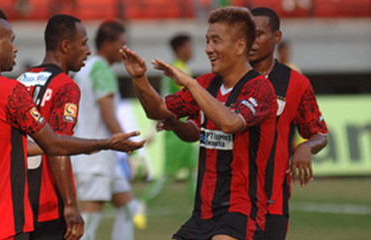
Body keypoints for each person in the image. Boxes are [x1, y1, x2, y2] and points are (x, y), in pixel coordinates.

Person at [0, 5, 144, 240]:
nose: (15, 48)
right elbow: (55, 146)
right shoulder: (34, 88)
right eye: (11, 41)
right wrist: (106, 143)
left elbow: (15, 146)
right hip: (17, 214)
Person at [121, 6, 277, 240]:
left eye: (216, 41)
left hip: (242, 212)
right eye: (206, 41)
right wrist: (139, 78)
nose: (208, 49)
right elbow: (159, 111)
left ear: (240, 46)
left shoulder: (260, 88)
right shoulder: (207, 83)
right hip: (203, 214)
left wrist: (191, 85)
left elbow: (231, 123)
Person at [249, 7, 328, 240]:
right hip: (227, 200)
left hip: (273, 201)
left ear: (276, 38)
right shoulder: (225, 78)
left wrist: (306, 146)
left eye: (260, 34)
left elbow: (320, 133)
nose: (252, 41)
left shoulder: (296, 83)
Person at [16, 14, 91, 240]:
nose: (88, 50)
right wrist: (70, 204)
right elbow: (59, 147)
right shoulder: (66, 86)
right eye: (84, 43)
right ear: (66, 46)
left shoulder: (20, 81)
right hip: (48, 207)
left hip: (17, 205)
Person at [71, 20, 138, 240]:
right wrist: (130, 148)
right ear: (107, 43)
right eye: (121, 44)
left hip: (100, 157)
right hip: (94, 160)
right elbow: (109, 115)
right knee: (87, 224)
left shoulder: (84, 68)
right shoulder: (102, 69)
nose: (124, 50)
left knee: (129, 207)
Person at [134, 33, 198, 230]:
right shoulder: (180, 70)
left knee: (193, 171)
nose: (192, 50)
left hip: (179, 128)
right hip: (178, 131)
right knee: (171, 174)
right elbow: (177, 102)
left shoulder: (175, 68)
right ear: (181, 49)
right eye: (189, 46)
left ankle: (199, 212)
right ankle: (142, 204)